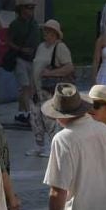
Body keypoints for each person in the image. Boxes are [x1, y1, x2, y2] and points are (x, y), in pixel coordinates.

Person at [27, 20, 76, 156]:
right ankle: (39, 145)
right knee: (35, 117)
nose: (46, 33)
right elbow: (35, 67)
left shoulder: (60, 47)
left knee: (50, 119)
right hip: (38, 89)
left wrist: (50, 73)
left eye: (48, 31)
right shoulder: (41, 46)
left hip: (51, 90)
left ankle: (52, 145)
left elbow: (69, 67)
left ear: (55, 33)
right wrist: (32, 86)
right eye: (45, 31)